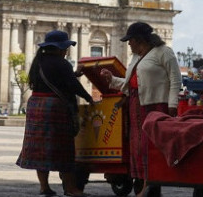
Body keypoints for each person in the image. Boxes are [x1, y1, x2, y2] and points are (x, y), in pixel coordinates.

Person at [101, 22, 181, 197]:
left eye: (130, 41)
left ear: (138, 40)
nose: (128, 44)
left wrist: (172, 105)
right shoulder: (136, 58)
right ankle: (142, 182)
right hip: (136, 105)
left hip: (156, 106)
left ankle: (150, 183)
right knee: (137, 146)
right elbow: (131, 84)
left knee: (151, 146)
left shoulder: (163, 53)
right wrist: (112, 79)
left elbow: (175, 80)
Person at [16, 30, 94, 197]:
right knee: (63, 148)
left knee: (40, 148)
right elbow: (72, 86)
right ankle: (71, 189)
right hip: (54, 108)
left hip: (36, 106)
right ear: (59, 49)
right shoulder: (62, 63)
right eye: (65, 48)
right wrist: (89, 98)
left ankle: (44, 187)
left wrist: (73, 75)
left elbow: (54, 80)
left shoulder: (38, 62)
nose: (66, 51)